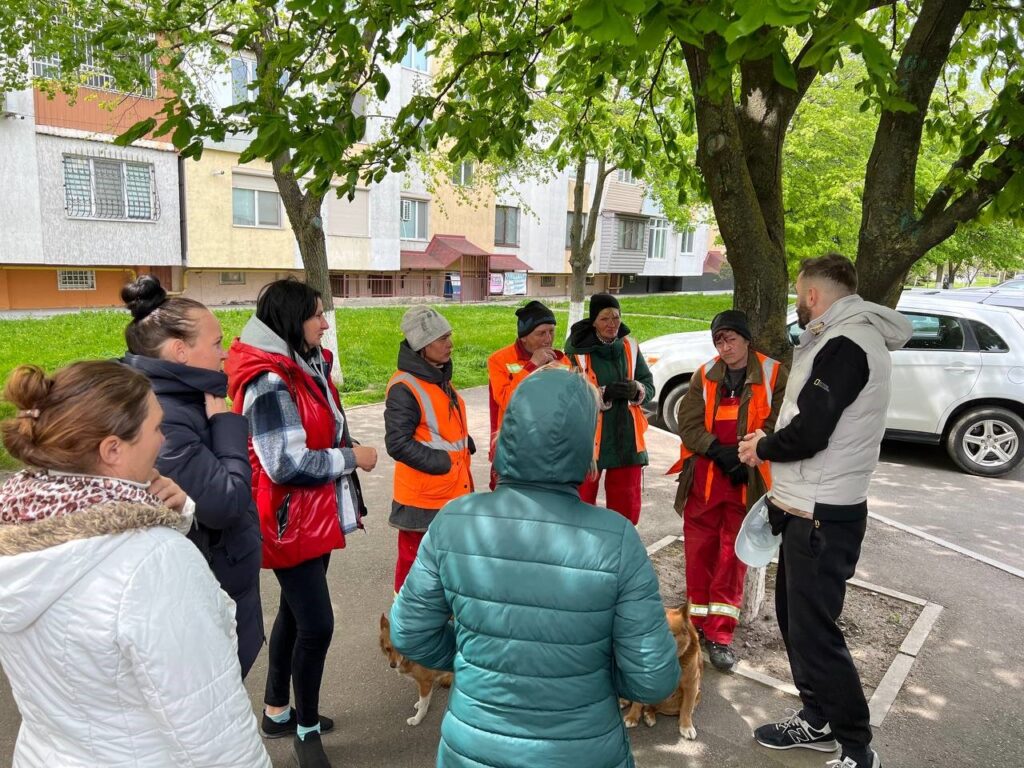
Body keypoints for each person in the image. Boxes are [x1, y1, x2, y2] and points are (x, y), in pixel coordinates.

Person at [389, 368, 680, 768]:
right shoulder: (616, 540)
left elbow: (409, 632)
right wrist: (593, 677)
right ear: (584, 445)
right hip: (583, 751)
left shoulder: (454, 522)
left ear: (508, 432)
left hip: (472, 750)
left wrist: (473, 656)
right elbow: (654, 677)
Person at [0, 361, 270, 768]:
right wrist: (163, 540)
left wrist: (167, 519)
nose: (162, 441)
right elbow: (213, 727)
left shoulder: (18, 533)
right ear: (112, 450)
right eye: (157, 428)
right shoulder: (155, 562)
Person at [738, 253, 912, 768]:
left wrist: (761, 449)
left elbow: (812, 432)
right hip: (806, 506)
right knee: (796, 622)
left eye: (798, 292)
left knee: (816, 633)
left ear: (812, 294)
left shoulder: (847, 344)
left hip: (822, 514)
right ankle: (817, 720)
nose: (796, 302)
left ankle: (857, 749)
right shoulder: (838, 340)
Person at [226, 278, 378, 768]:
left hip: (310, 519)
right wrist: (351, 457)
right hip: (291, 522)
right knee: (318, 626)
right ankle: (306, 730)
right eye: (317, 315)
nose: (325, 323)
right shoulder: (270, 383)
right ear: (294, 320)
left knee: (294, 616)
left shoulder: (303, 365)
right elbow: (285, 465)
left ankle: (276, 712)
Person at [121, 275, 263, 677]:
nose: (224, 355)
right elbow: (225, 504)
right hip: (210, 590)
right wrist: (226, 427)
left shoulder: (187, 399)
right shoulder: (166, 415)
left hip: (221, 580)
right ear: (180, 351)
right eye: (216, 344)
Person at [670, 309, 788, 672]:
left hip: (746, 480)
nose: (724, 346)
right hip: (705, 480)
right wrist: (716, 450)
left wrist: (746, 454)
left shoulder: (773, 373)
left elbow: (780, 422)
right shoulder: (704, 375)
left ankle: (720, 636)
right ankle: (696, 625)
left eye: (730, 338)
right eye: (718, 340)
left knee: (731, 559)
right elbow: (688, 423)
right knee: (698, 554)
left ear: (746, 339)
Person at [385, 306, 474, 593]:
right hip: (422, 499)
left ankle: (435, 624)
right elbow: (397, 443)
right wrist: (443, 463)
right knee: (414, 566)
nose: (450, 344)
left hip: (451, 491)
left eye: (449, 336)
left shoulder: (438, 377)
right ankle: (402, 631)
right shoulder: (405, 385)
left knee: (446, 564)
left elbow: (438, 429)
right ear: (422, 345)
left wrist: (464, 443)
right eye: (442, 338)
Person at [564, 293, 653, 524]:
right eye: (605, 318)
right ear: (593, 321)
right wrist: (604, 393)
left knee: (626, 508)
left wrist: (636, 390)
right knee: (580, 504)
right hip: (589, 440)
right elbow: (570, 396)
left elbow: (649, 386)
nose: (612, 323)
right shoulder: (577, 352)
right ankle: (581, 551)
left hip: (627, 440)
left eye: (616, 317)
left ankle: (621, 549)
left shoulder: (629, 346)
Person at [486, 300, 568, 488]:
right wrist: (531, 366)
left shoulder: (561, 361)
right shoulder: (499, 360)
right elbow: (508, 400)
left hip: (550, 450)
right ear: (523, 337)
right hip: (511, 449)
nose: (548, 339)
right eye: (541, 333)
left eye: (551, 331)